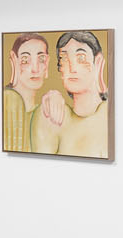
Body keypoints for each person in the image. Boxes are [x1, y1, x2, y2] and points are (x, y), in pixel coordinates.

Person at [34, 30, 111, 158]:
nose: (72, 68)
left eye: (81, 58)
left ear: (97, 63)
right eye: (64, 58)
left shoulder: (109, 115)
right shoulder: (50, 114)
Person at [1, 32, 50, 152]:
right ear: (14, 61)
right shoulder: (9, 98)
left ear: (47, 64)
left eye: (41, 59)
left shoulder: (40, 110)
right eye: (25, 60)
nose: (35, 69)